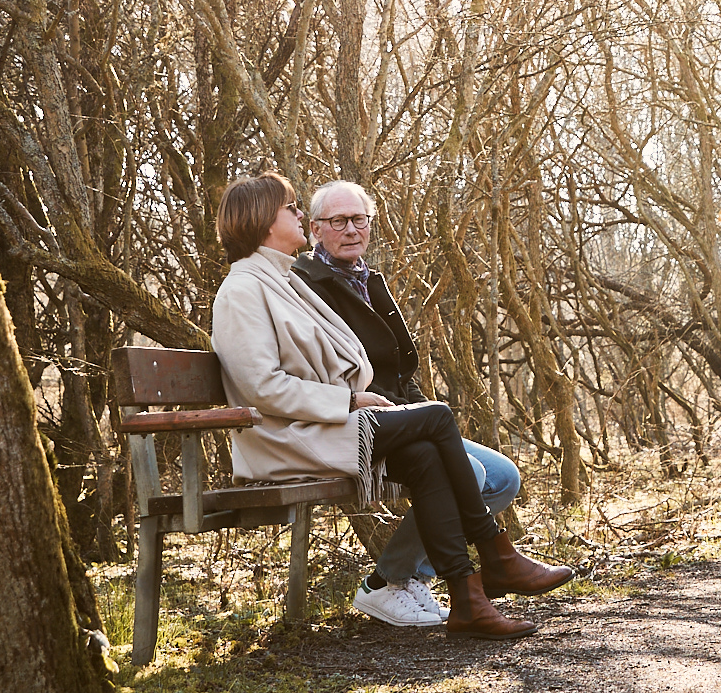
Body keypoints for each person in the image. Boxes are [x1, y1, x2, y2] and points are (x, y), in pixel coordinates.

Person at [207, 172, 548, 640]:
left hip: (327, 421)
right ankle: (495, 556)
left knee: (428, 452)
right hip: (289, 436)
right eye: (291, 208)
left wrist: (356, 398)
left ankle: (469, 602)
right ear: (264, 221)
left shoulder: (281, 280)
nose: (298, 215)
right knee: (437, 416)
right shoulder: (243, 290)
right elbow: (262, 387)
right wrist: (348, 399)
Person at [294, 179, 575, 627]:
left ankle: (404, 579)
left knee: (502, 477)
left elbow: (402, 369)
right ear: (314, 229)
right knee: (475, 473)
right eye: (338, 221)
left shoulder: (367, 279)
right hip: (359, 421)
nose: (351, 230)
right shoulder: (309, 284)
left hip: (404, 415)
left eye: (359, 219)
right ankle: (391, 583)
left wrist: (422, 412)